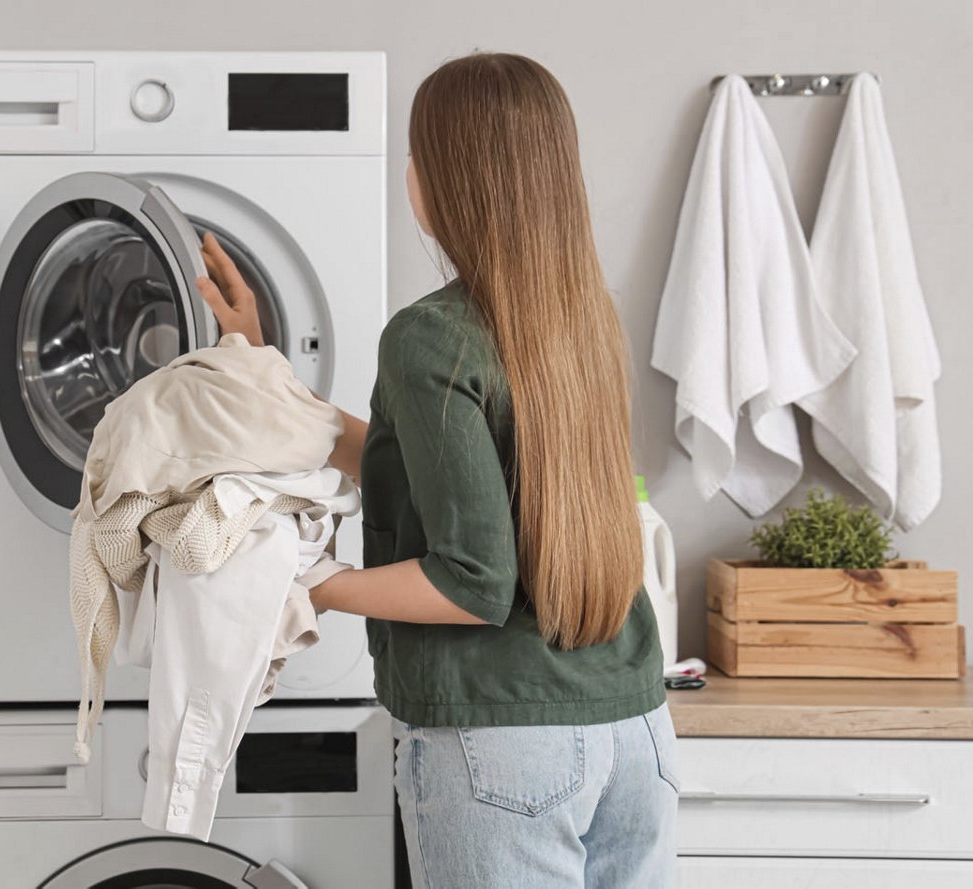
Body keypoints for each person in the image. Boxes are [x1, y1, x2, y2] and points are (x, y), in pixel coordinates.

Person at [198, 51, 677, 889]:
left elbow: (470, 582)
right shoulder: (582, 317)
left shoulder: (428, 336)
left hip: (501, 745)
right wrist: (262, 367)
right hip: (634, 734)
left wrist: (301, 580)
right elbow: (416, 463)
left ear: (435, 183)